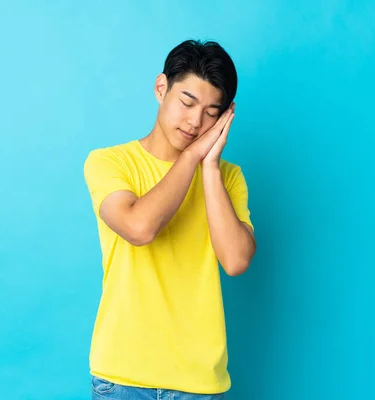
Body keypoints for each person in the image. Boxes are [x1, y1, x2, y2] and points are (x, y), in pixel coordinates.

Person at [83, 39, 256, 400]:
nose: (195, 122)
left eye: (212, 112)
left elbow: (236, 260)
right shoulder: (109, 162)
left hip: (198, 383)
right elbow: (139, 228)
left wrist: (209, 166)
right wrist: (193, 155)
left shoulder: (229, 177)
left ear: (226, 116)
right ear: (161, 88)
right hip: (122, 378)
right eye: (187, 102)